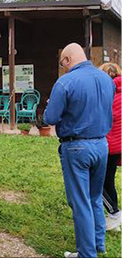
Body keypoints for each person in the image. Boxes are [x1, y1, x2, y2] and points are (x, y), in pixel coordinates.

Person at [44, 43, 114, 258]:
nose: (63, 67)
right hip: (102, 144)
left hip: (76, 146)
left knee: (81, 202)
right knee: (95, 197)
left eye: (62, 63)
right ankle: (98, 244)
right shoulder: (106, 79)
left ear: (67, 60)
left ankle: (86, 253)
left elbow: (49, 118)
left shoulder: (65, 82)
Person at [99, 62, 121, 231]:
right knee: (109, 181)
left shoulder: (109, 93)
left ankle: (114, 212)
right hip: (118, 145)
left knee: (96, 184)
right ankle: (113, 217)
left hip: (108, 144)